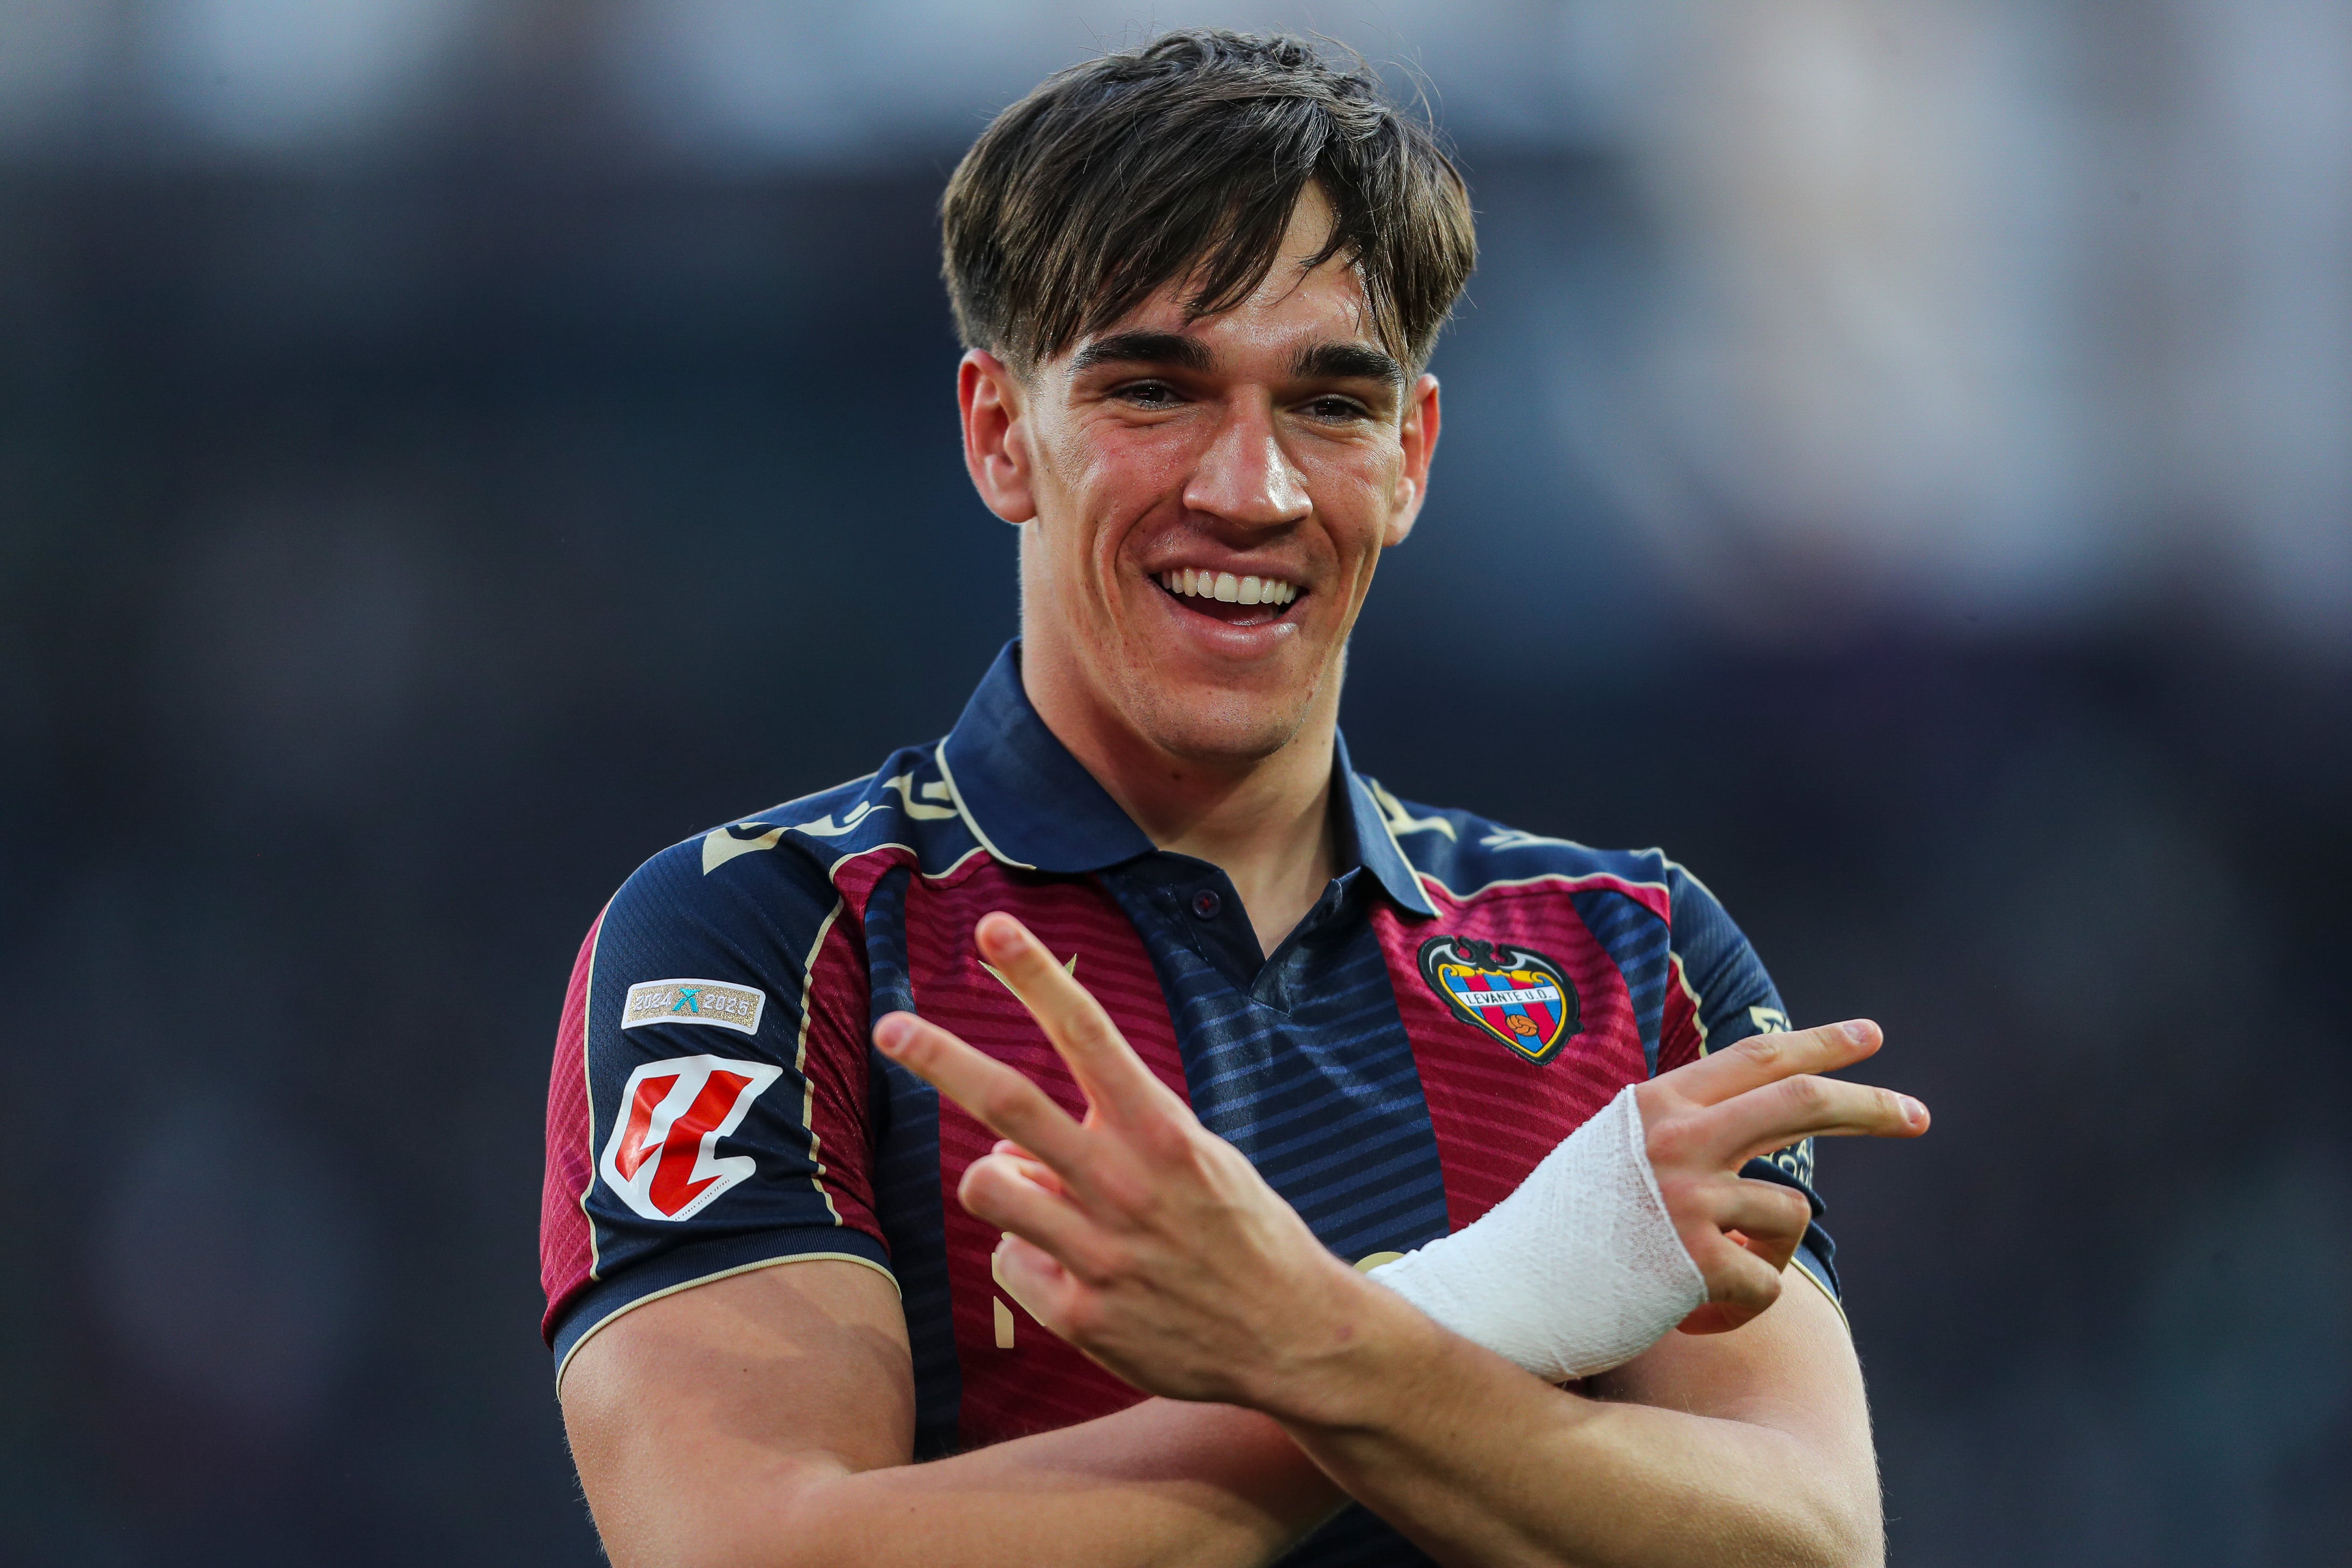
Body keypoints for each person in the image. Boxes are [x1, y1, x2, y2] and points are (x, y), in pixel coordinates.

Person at [540, 30, 1929, 1568]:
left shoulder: (1634, 956)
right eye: (1155, 390)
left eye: (1330, 404)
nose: (1249, 490)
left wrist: (1308, 1337)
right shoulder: (764, 935)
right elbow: (745, 1550)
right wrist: (1474, 1310)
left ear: (1410, 458)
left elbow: (1810, 1542)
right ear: (1001, 434)